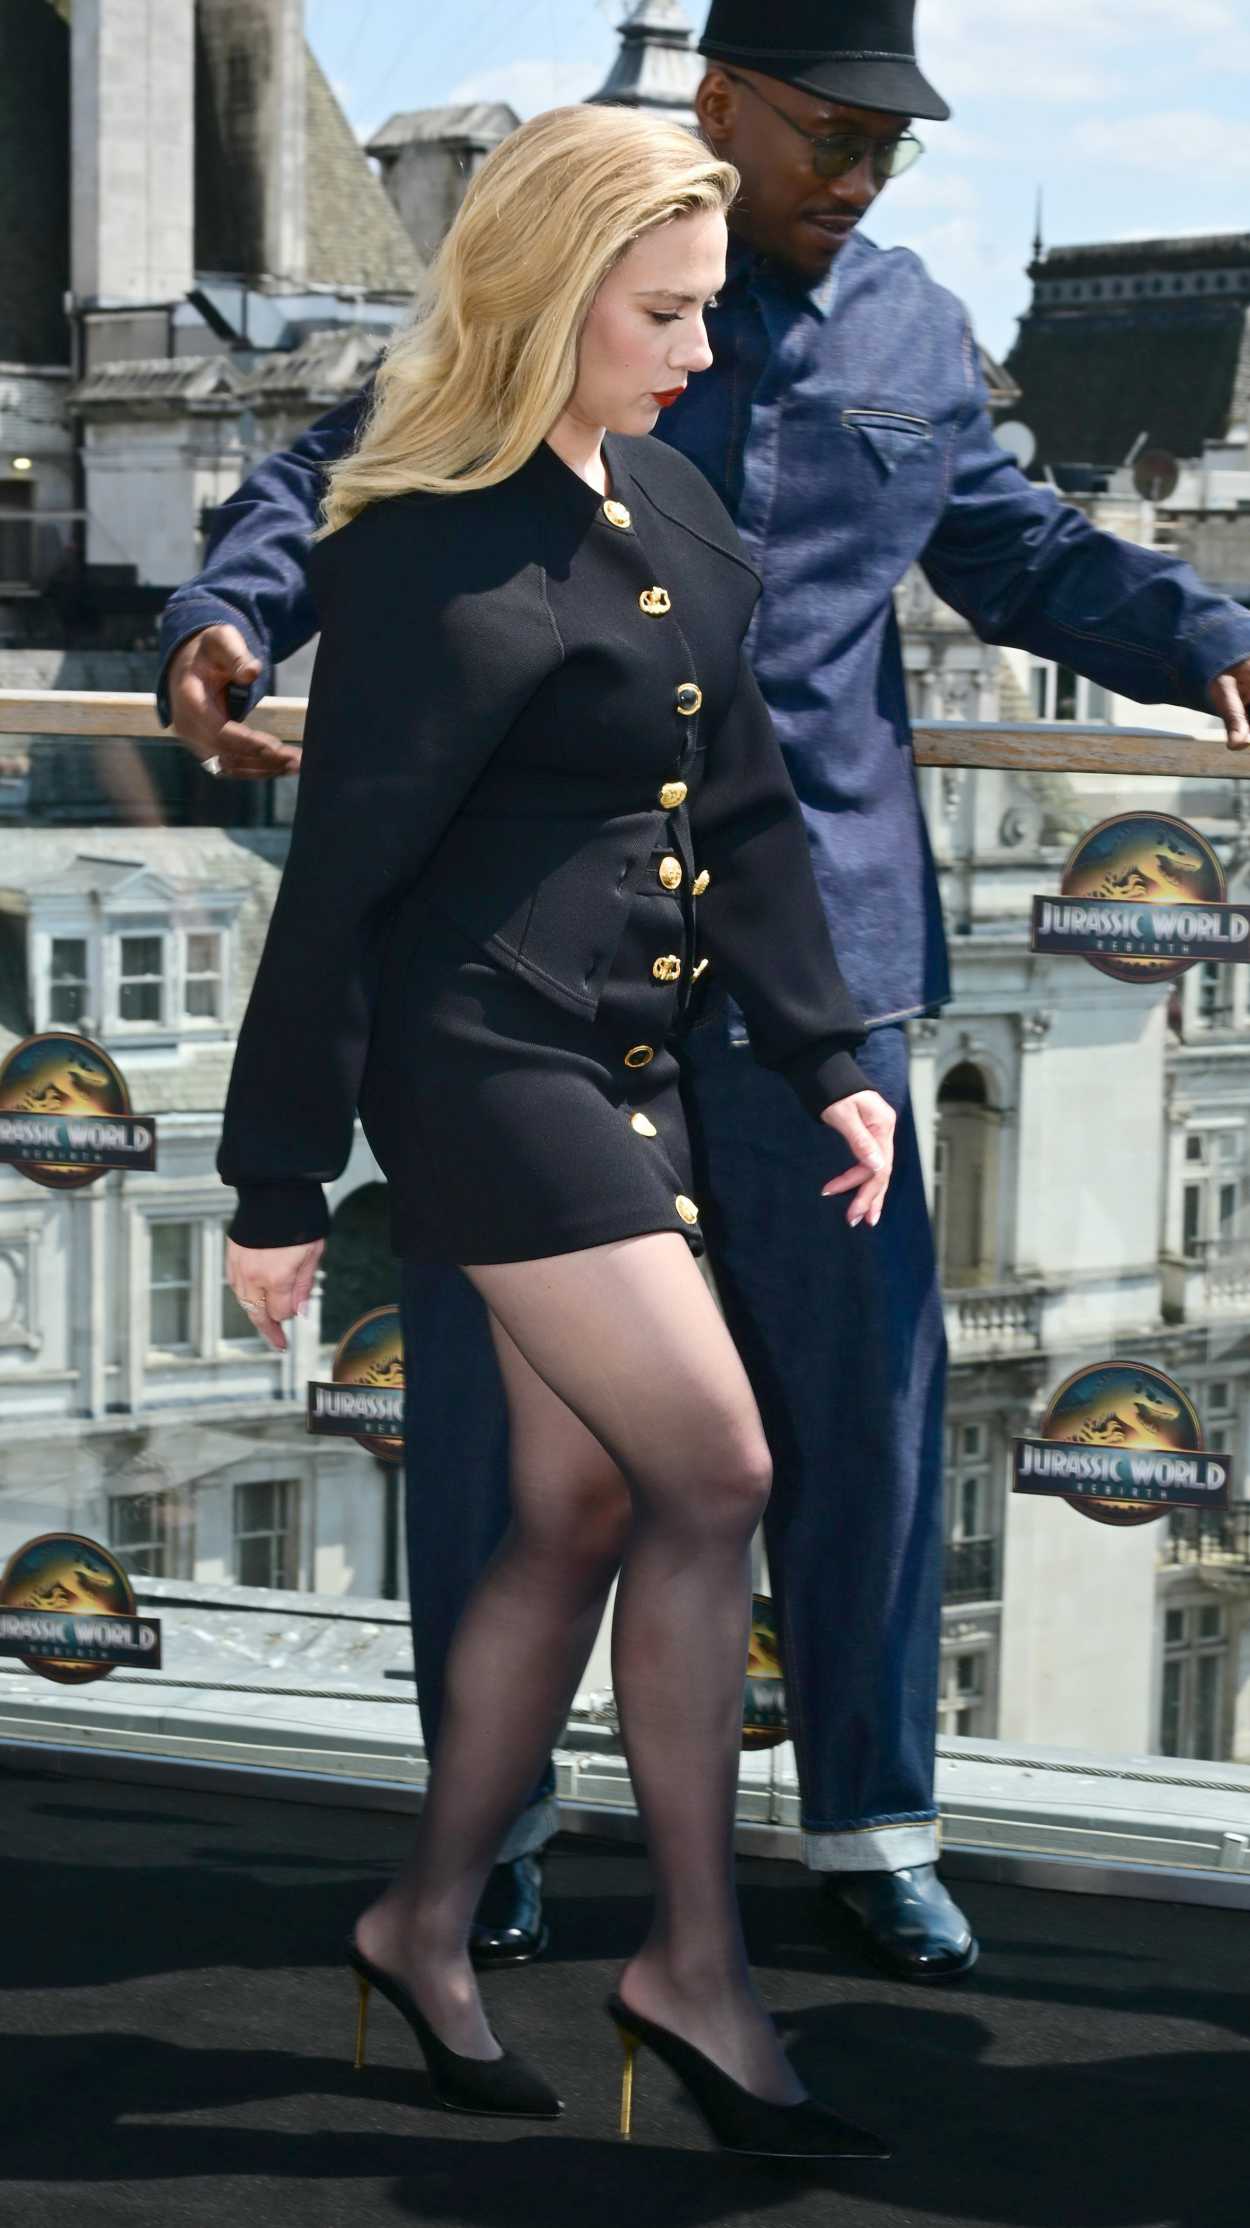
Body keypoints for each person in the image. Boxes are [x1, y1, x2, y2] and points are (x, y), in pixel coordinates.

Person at [161, 0, 1250, 1987]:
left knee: (862, 1420)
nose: (860, 178)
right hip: (534, 965)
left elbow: (1014, 551)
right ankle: (491, 1820)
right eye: (831, 134)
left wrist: (1204, 635)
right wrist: (226, 617)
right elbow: (346, 473)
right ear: (722, 99)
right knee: (500, 1436)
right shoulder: (560, 281)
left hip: (811, 958)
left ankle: (872, 1830)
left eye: (890, 148)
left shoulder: (913, 329)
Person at [215, 103, 896, 2158]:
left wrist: (830, 1053)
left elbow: (744, 811)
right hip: (480, 1064)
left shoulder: (666, 496)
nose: (698, 349)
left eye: (704, 309)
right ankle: (692, 1967)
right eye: (661, 311)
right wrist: (275, 1181)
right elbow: (341, 877)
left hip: (628, 1061)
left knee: (582, 1511)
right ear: (546, 293)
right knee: (719, 1467)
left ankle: (420, 1921)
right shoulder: (430, 540)